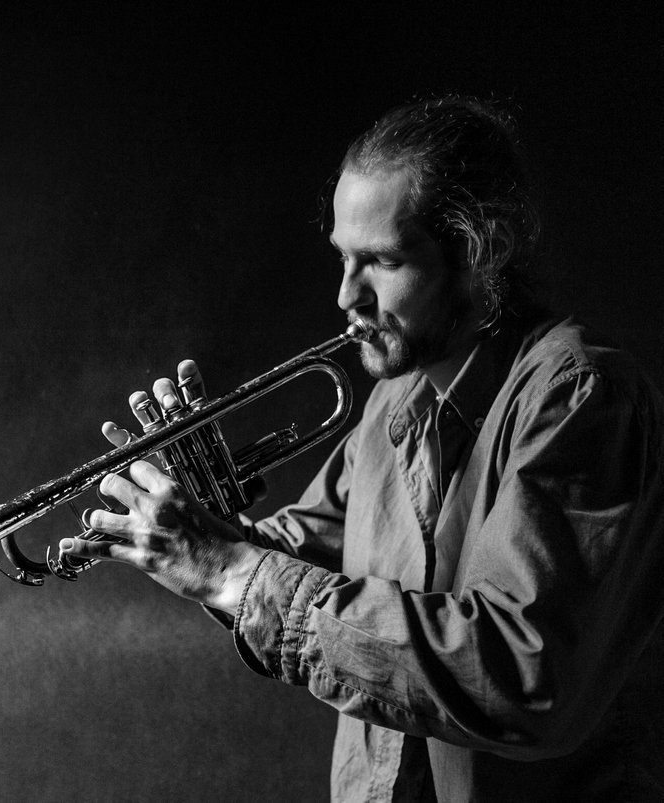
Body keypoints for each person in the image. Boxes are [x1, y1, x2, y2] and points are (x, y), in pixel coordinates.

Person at [58, 95, 664, 801]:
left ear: (482, 252)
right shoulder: (390, 405)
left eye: (382, 261)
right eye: (344, 258)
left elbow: (522, 673)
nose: (348, 295)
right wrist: (194, 526)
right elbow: (306, 562)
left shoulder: (580, 397)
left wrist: (226, 567)